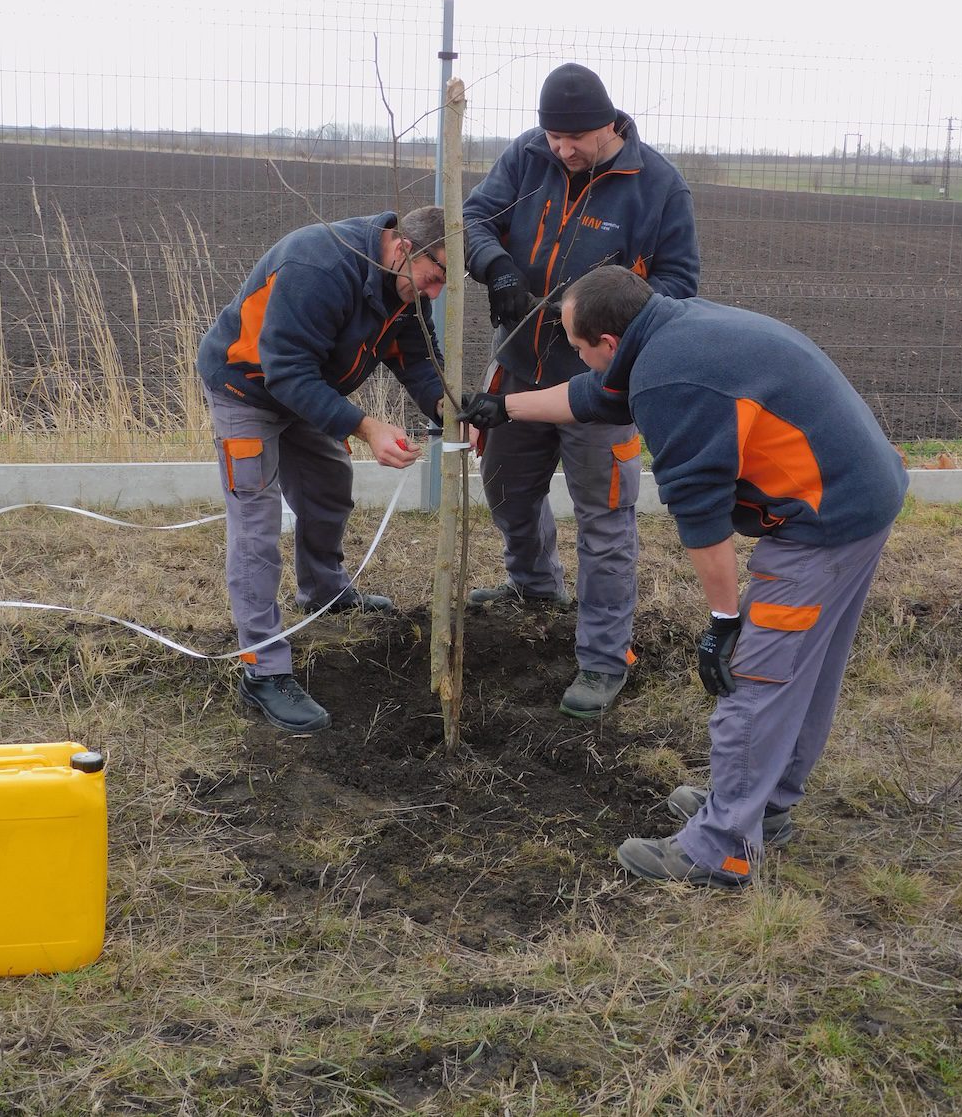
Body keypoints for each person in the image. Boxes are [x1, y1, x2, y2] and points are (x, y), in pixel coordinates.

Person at [461, 266, 908, 888]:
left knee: (757, 674)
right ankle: (764, 808)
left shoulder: (673, 378)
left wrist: (724, 622)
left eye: (577, 345)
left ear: (609, 343)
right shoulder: (669, 328)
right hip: (858, 494)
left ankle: (720, 848)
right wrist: (503, 407)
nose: (577, 357)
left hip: (821, 519)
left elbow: (702, 517)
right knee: (805, 666)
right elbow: (598, 395)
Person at [463, 63, 699, 719]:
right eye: (553, 135)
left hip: (603, 383)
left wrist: (606, 320)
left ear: (610, 124)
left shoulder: (657, 188)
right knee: (506, 486)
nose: (562, 149)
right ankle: (535, 584)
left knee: (604, 521)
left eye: (576, 137)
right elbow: (475, 215)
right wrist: (498, 267)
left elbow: (680, 286)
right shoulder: (528, 157)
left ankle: (602, 657)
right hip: (519, 367)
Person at [197, 206, 455, 735]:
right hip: (245, 388)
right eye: (433, 278)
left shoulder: (401, 286)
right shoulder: (318, 267)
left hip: (306, 392)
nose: (434, 293)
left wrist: (451, 412)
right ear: (404, 250)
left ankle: (323, 589)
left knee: (331, 487)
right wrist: (367, 427)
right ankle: (262, 670)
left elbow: (416, 358)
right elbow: (285, 371)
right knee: (256, 526)